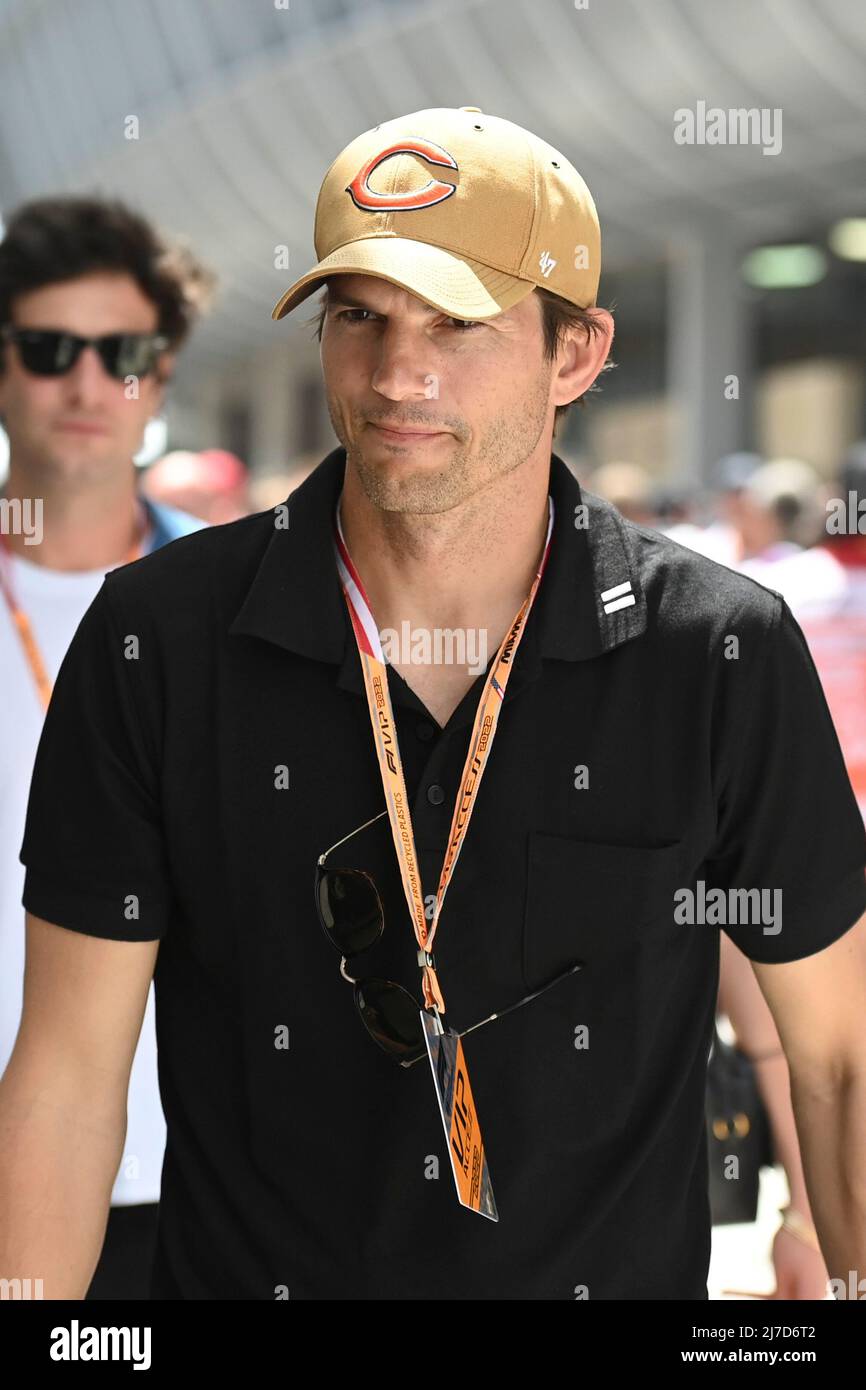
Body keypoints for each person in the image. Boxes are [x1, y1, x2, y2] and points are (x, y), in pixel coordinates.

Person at [2, 106, 865, 1301]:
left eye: (459, 323)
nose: (399, 373)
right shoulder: (157, 636)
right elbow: (64, 1078)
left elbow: (835, 1058)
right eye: (360, 316)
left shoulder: (714, 648)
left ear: (574, 354)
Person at [0, 194, 213, 1297]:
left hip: (200, 1185)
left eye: (122, 354)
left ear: (160, 377)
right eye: (47, 349)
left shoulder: (247, 613)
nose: (87, 385)